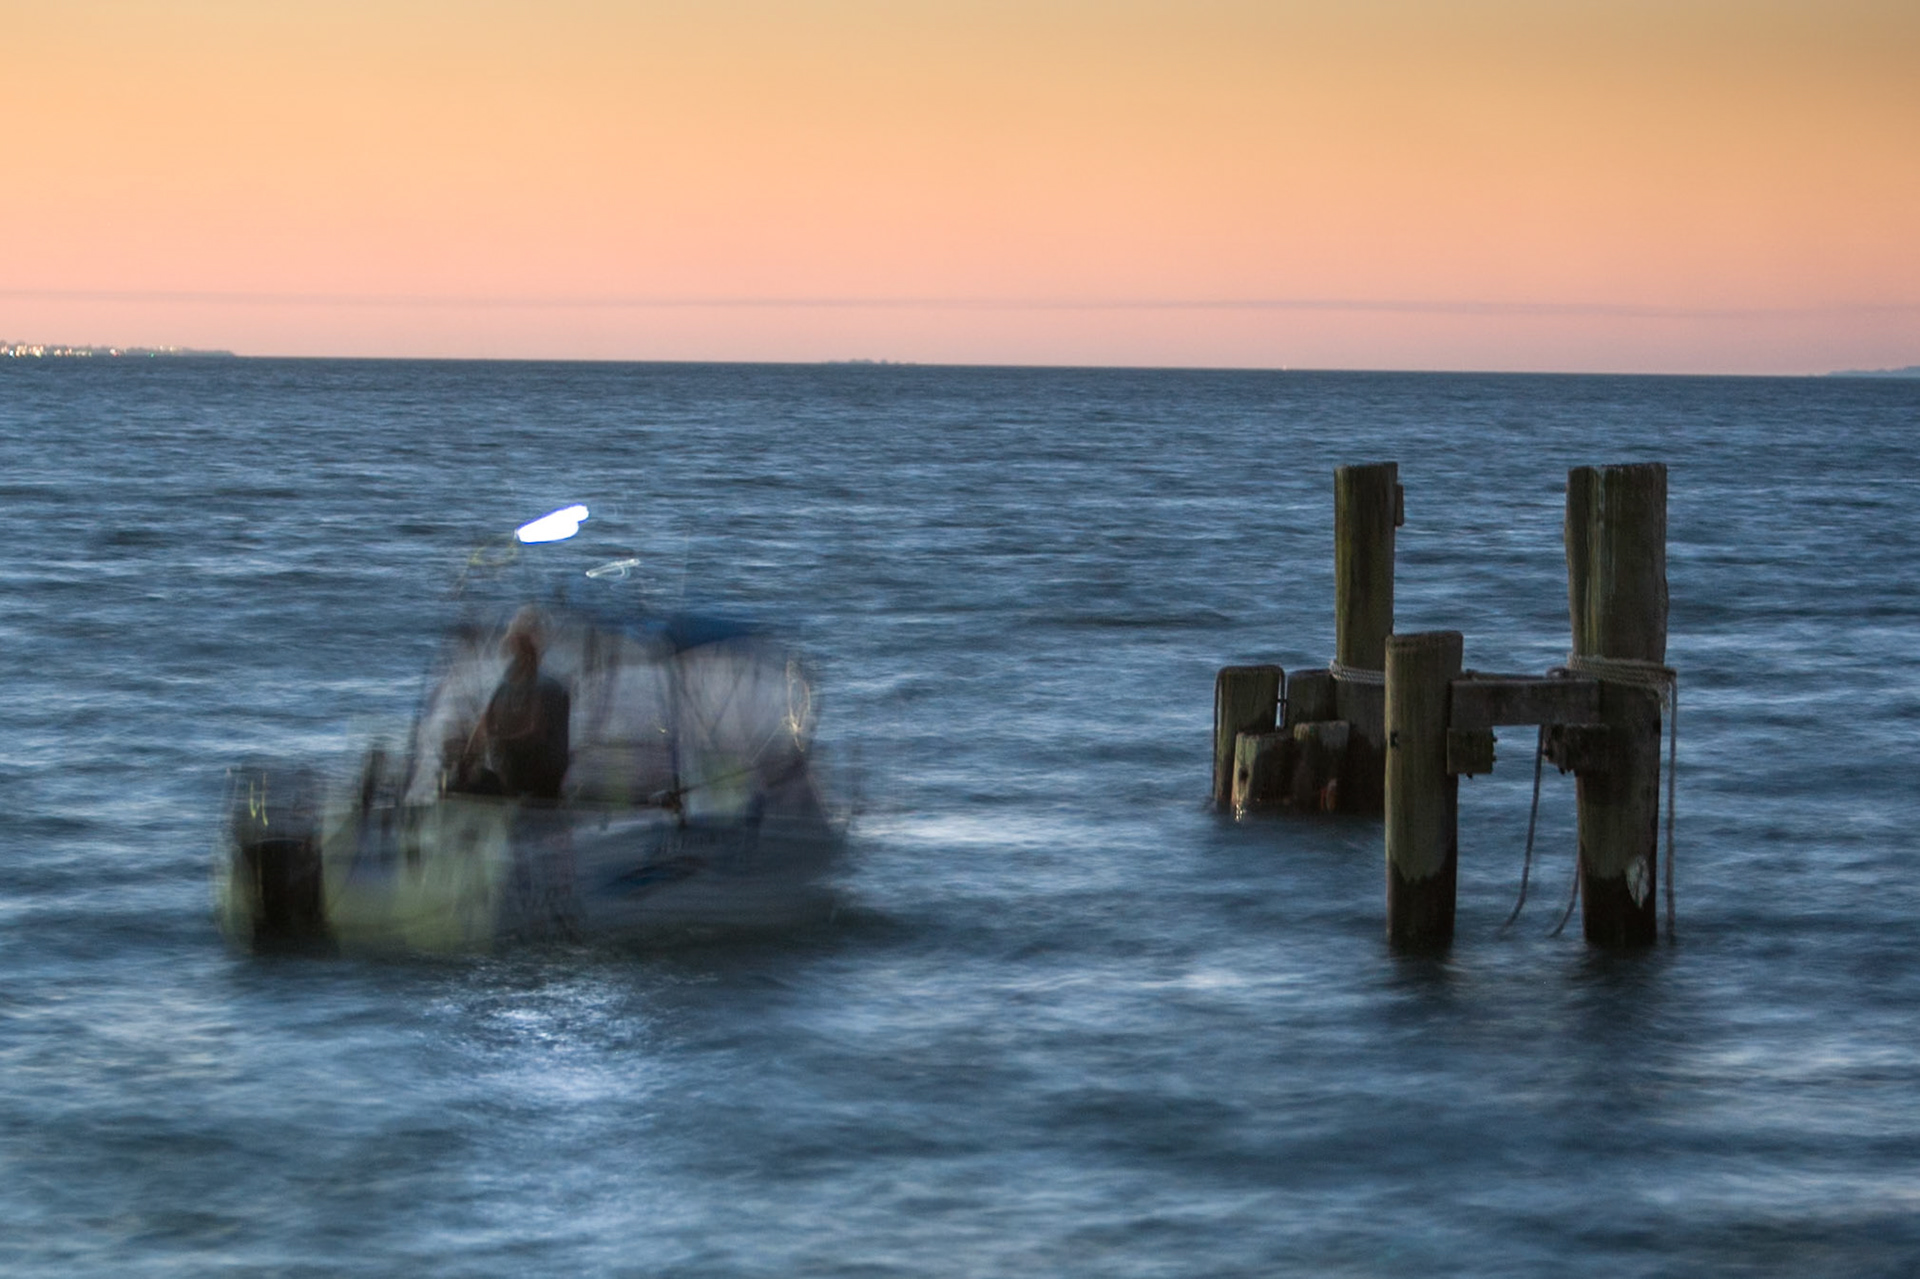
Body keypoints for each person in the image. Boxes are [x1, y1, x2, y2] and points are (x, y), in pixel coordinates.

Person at [477, 609, 571, 801]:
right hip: (506, 795)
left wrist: (498, 738)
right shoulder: (503, 683)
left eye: (517, 636)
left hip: (539, 802)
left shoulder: (549, 688)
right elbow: (484, 725)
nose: (509, 639)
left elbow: (535, 733)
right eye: (511, 633)